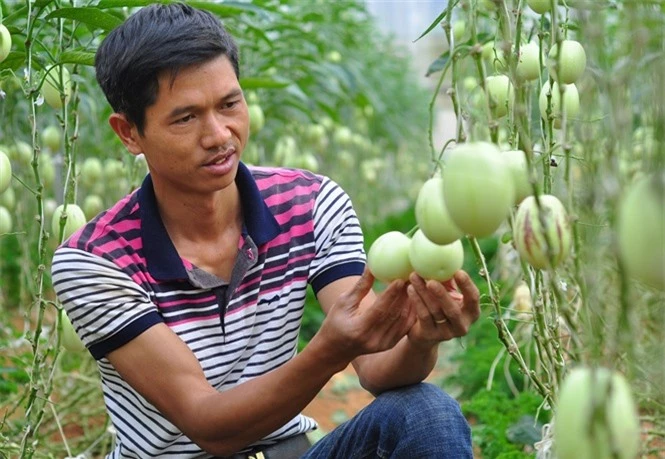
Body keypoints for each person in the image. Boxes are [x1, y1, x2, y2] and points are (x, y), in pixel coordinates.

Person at [51, 3, 481, 458]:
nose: (219, 134)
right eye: (186, 117)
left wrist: (422, 338)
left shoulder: (313, 204)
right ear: (129, 133)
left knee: (426, 412)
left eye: (230, 104)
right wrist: (329, 349)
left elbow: (377, 371)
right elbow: (208, 425)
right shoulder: (94, 260)